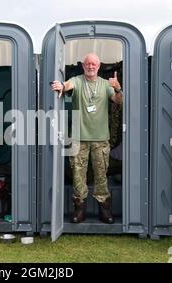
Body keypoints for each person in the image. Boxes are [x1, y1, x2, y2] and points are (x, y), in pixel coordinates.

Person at [50, 53, 123, 224]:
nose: (90, 67)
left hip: (100, 140)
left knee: (101, 176)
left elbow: (118, 101)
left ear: (98, 67)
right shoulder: (77, 80)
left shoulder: (106, 85)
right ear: (83, 66)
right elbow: (67, 85)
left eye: (94, 64)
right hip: (79, 139)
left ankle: (104, 210)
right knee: (78, 175)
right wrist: (61, 85)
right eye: (88, 64)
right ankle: (79, 210)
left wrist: (118, 88)